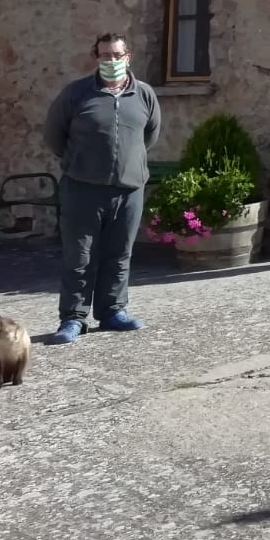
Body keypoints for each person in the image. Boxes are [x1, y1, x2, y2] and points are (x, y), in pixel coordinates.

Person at [43, 33, 162, 344]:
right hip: (83, 189)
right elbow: (55, 136)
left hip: (129, 190)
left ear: (128, 57)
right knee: (79, 256)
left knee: (119, 253)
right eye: (105, 55)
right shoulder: (76, 94)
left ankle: (112, 311)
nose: (111, 61)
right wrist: (81, 163)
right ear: (95, 57)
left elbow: (149, 136)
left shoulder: (144, 94)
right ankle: (73, 318)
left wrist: (128, 165)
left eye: (117, 55)